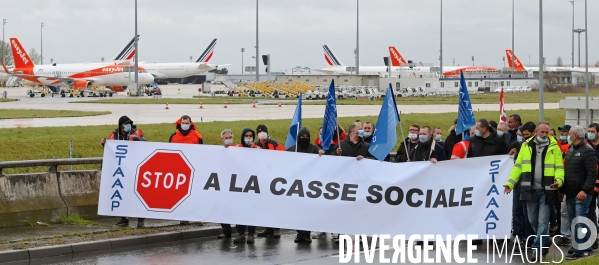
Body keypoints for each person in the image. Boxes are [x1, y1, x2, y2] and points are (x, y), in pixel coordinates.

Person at [503, 122, 563, 256]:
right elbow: (518, 167)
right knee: (532, 220)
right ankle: (545, 240)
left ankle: (537, 248)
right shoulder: (526, 146)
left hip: (547, 190)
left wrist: (558, 181)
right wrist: (510, 184)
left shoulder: (554, 148)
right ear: (536, 132)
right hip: (529, 189)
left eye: (547, 132)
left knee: (543, 221)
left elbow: (559, 168)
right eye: (542, 132)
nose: (545, 135)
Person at [101, 116, 147, 228]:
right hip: (121, 169)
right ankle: (124, 218)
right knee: (122, 194)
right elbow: (111, 150)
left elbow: (146, 144)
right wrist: (104, 144)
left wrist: (138, 140)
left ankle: (140, 220)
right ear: (121, 125)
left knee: (138, 195)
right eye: (125, 124)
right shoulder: (114, 135)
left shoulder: (137, 133)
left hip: (135, 169)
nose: (128, 126)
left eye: (129, 123)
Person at [563, 125, 598, 259]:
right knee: (574, 221)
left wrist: (585, 190)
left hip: (582, 194)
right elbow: (568, 172)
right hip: (570, 193)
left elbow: (592, 173)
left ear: (575, 136)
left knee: (580, 221)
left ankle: (584, 249)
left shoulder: (587, 151)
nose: (568, 136)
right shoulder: (571, 150)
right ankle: (579, 246)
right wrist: (562, 190)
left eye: (570, 134)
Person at [286, 127, 325, 243]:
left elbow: (323, 157)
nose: (304, 139)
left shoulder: (314, 148)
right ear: (298, 138)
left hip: (310, 185)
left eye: (307, 137)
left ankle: (306, 233)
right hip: (296, 185)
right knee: (296, 211)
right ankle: (299, 233)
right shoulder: (292, 150)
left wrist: (322, 153)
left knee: (307, 211)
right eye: (302, 137)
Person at [168, 115, 204, 225]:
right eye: (183, 123)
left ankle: (198, 216)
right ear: (180, 123)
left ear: (190, 123)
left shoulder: (197, 136)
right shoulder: (173, 137)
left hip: (193, 168)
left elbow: (202, 152)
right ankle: (184, 216)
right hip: (179, 169)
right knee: (181, 194)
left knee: (195, 193)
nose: (185, 125)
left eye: (187, 123)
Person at [255, 124, 284, 238]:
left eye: (263, 131)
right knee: (265, 205)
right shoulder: (255, 145)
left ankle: (276, 229)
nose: (262, 133)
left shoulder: (275, 144)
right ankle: (268, 228)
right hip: (262, 179)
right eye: (260, 131)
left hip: (274, 178)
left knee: (274, 204)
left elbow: (284, 157)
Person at [233, 128, 257, 244]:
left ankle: (251, 234)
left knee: (252, 210)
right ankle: (241, 233)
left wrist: (255, 149)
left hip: (253, 184)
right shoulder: (238, 148)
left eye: (250, 135)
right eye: (246, 135)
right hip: (240, 184)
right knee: (240, 209)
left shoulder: (257, 149)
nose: (248, 137)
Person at [216, 129, 235, 240]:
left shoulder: (239, 150)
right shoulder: (218, 152)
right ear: (222, 139)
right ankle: (226, 230)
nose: (228, 140)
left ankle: (241, 232)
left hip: (235, 183)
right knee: (222, 207)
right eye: (226, 138)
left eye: (230, 138)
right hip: (222, 183)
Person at [584, 123, 599, 249]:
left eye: (592, 131)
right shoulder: (585, 145)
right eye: (589, 131)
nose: (590, 133)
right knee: (590, 212)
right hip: (590, 185)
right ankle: (594, 238)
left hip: (597, 183)